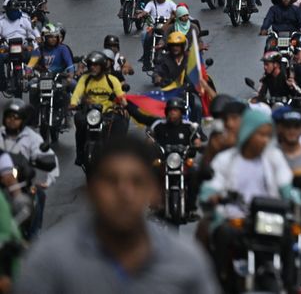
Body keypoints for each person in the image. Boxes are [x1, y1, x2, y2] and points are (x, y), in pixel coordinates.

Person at [14, 136, 220, 294]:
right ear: (91, 190)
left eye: (137, 182)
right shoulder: (50, 259)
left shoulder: (187, 262)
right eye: (111, 181)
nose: (125, 193)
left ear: (156, 193)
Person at [199, 109, 301, 288]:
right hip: (236, 220)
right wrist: (211, 196)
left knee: (289, 235)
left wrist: (294, 198)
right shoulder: (226, 160)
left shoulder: (273, 158)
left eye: (268, 135)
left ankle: (290, 284)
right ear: (248, 132)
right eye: (261, 134)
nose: (265, 140)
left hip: (268, 220)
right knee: (222, 234)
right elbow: (212, 185)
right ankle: (218, 281)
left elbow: (286, 184)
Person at [0, 99, 57, 237]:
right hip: (2, 180)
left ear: (23, 120)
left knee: (39, 196)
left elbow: (49, 156)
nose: (12, 121)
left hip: (22, 181)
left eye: (16, 118)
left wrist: (49, 180)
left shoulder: (32, 137)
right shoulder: (0, 134)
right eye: (9, 117)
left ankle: (33, 236)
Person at [69, 51, 128, 166]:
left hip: (108, 113)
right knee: (79, 119)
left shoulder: (112, 80)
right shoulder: (84, 79)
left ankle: (117, 155)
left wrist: (123, 104)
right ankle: (80, 154)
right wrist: (73, 103)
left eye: (96, 65)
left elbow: (121, 96)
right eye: (91, 65)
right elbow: (77, 92)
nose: (93, 68)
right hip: (90, 113)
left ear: (102, 66)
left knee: (120, 122)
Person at [136, 0, 177, 70]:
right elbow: (146, 11)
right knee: (144, 35)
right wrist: (141, 14)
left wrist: (177, 14)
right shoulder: (151, 4)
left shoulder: (170, 3)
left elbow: (177, 10)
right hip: (153, 27)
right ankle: (146, 60)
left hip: (167, 27)